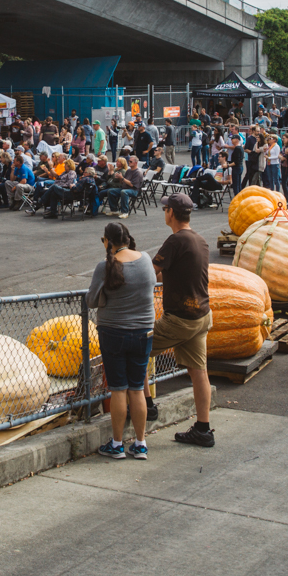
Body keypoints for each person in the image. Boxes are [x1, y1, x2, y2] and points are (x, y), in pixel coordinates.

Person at [152, 193, 215, 447]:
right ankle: (203, 428)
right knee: (199, 371)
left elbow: (151, 272)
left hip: (180, 319)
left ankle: (145, 405)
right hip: (202, 315)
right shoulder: (200, 240)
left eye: (165, 209)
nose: (164, 212)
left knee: (134, 349)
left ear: (171, 213)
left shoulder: (175, 241)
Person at [91, 222, 157, 460]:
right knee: (137, 388)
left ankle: (117, 444)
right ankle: (140, 444)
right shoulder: (146, 259)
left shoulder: (105, 266)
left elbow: (91, 300)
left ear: (108, 242)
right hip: (143, 333)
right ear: (128, 238)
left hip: (113, 333)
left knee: (118, 389)